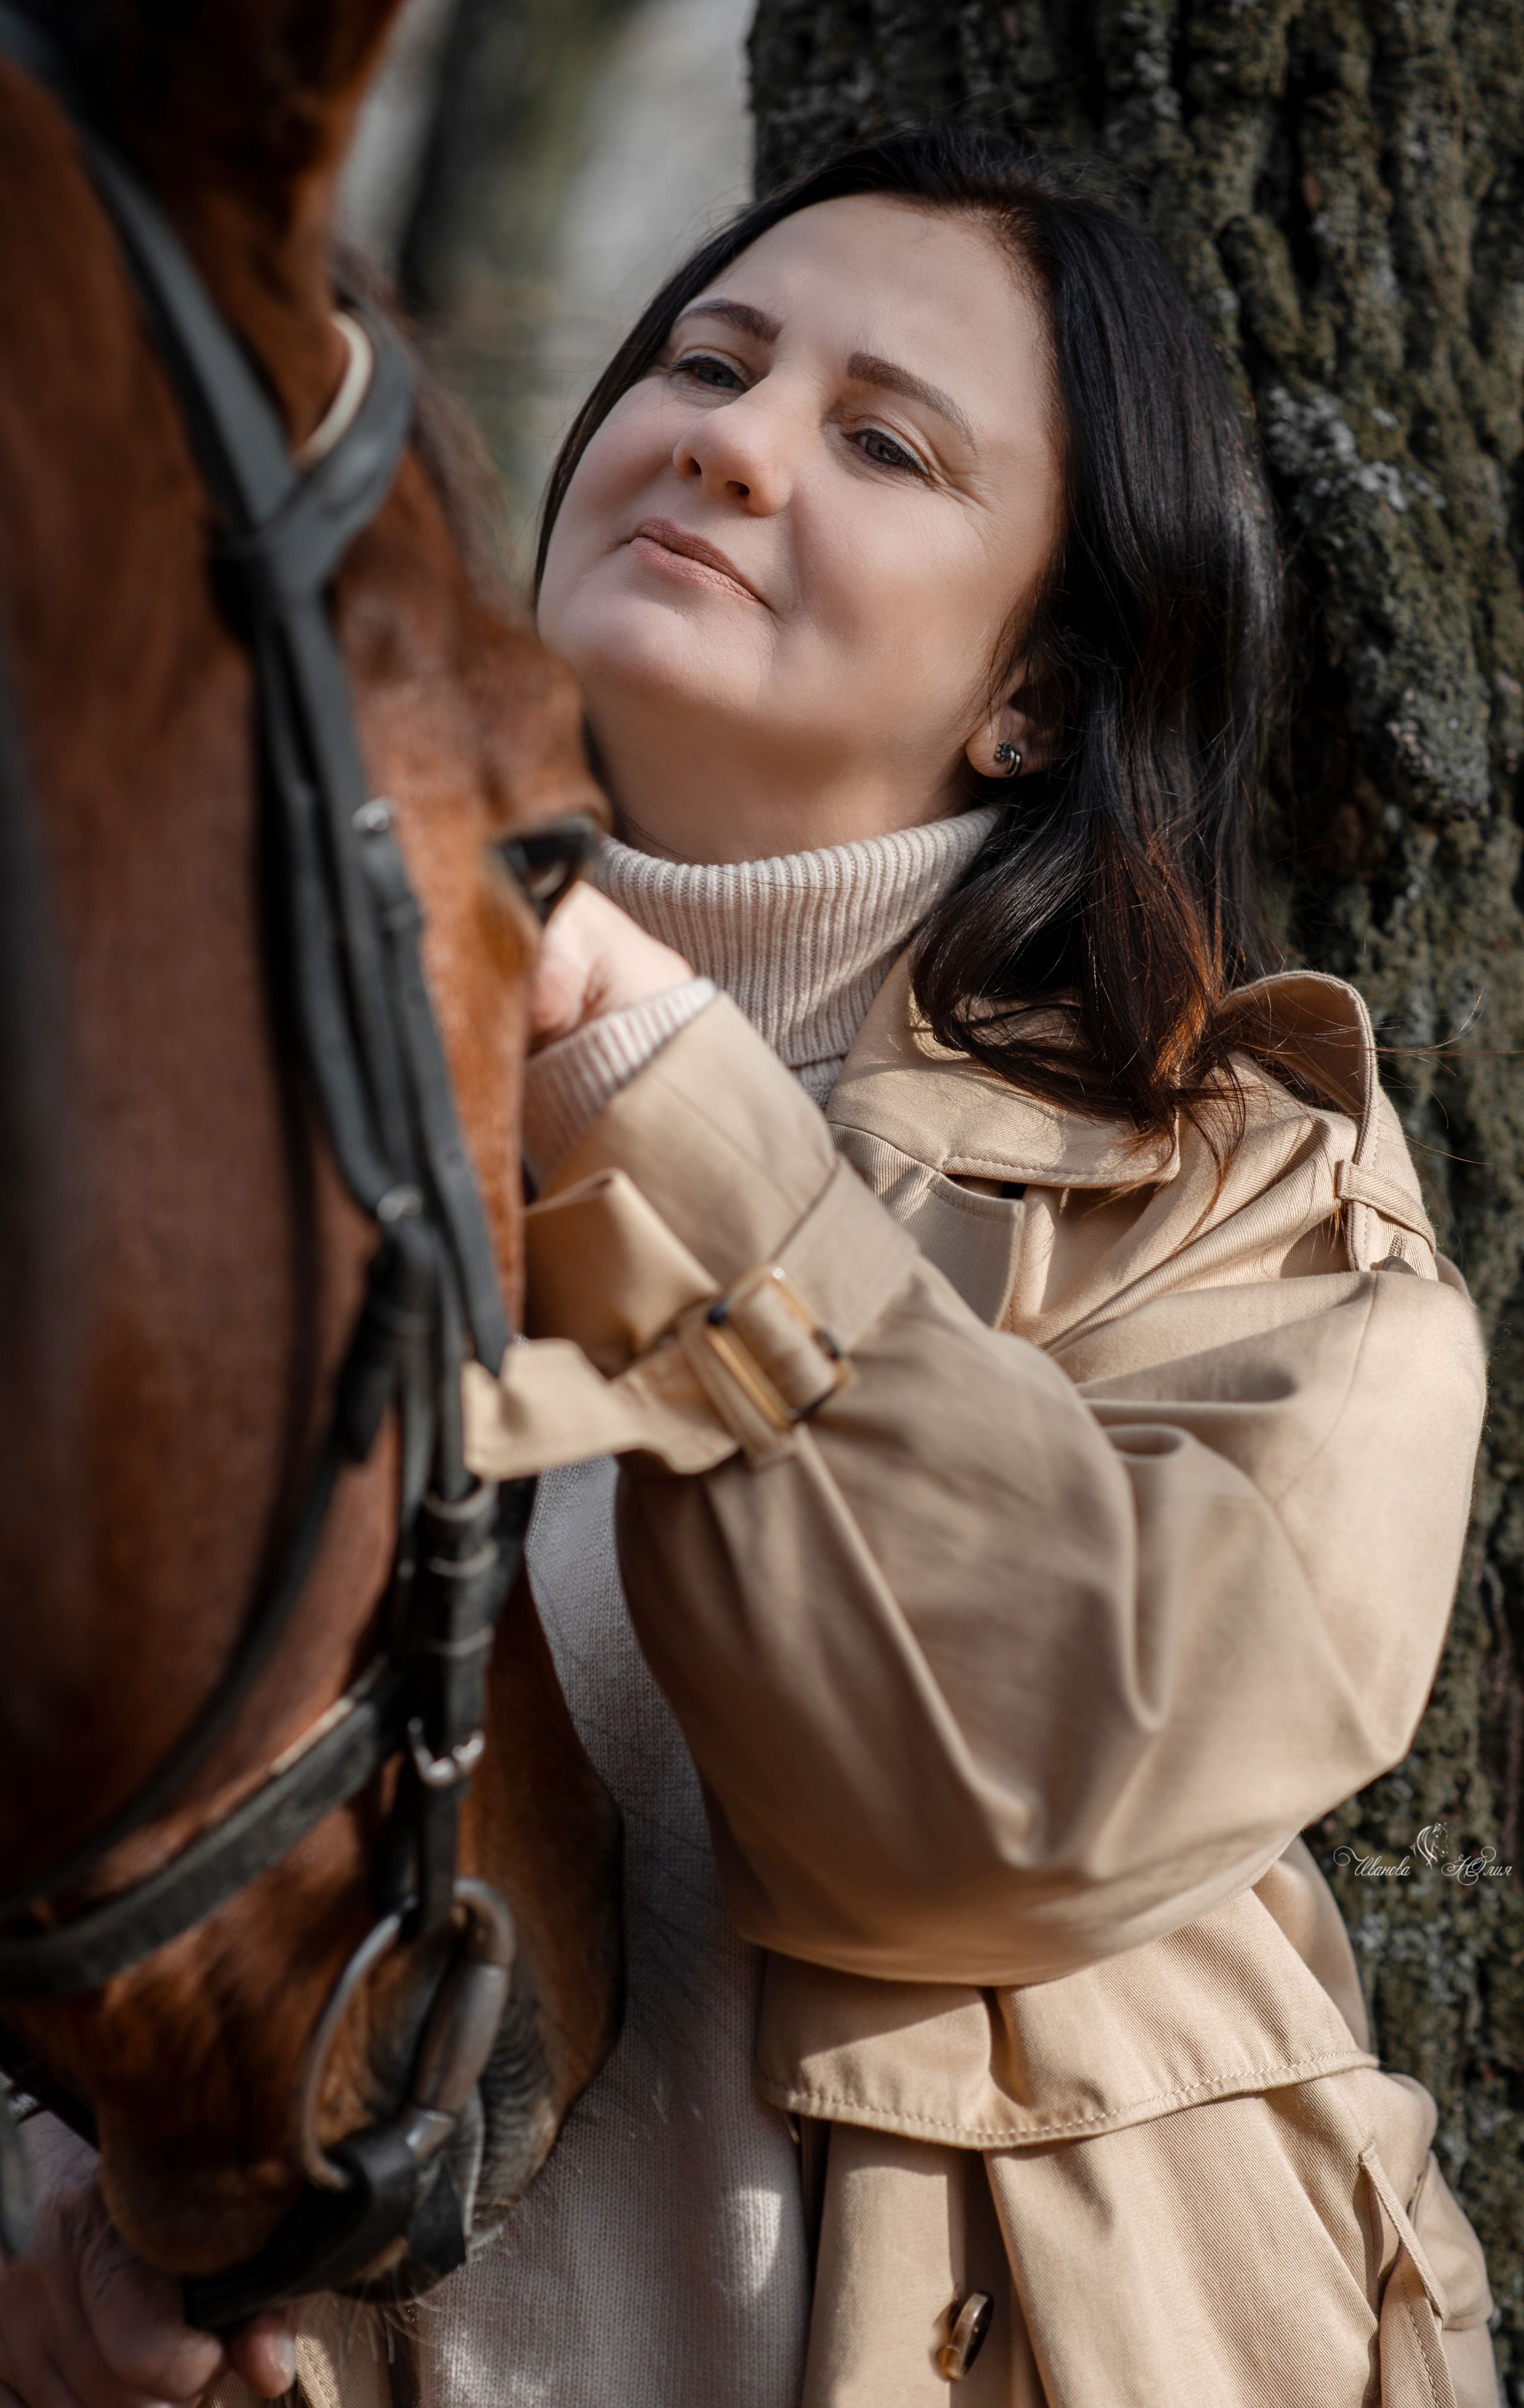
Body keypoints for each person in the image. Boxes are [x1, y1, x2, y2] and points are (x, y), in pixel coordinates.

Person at [2, 126, 1499, 2408]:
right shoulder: (204, 1144)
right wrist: (49, 2280)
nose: (728, 436)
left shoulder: (1243, 1200)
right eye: (706, 363)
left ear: (1036, 696)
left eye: (885, 440)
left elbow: (1024, 1792)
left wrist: (633, 1070)